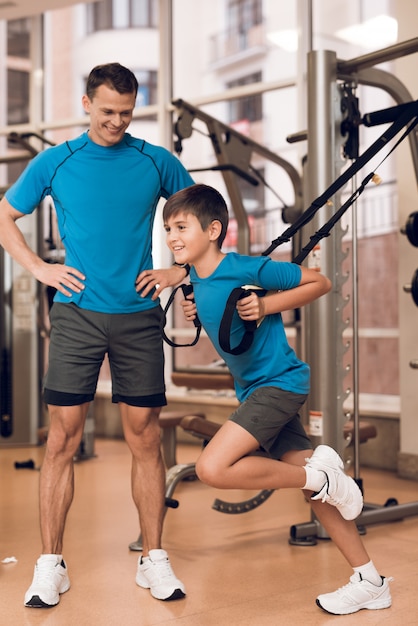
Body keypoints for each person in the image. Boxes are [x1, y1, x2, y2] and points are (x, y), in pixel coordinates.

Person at [0, 62, 195, 607]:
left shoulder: (156, 161)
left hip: (137, 315)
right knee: (61, 439)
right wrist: (40, 269)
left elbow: (205, 224)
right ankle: (50, 564)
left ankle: (153, 557)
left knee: (145, 438)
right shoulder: (55, 162)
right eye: (107, 111)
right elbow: (3, 215)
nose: (116, 121)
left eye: (126, 113)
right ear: (86, 104)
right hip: (76, 315)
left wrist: (178, 271)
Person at [160, 183, 393, 616]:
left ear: (213, 230)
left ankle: (321, 478)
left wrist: (266, 307)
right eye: (167, 228)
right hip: (255, 388)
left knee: (213, 467)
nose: (172, 236)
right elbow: (199, 291)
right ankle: (370, 580)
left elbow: (320, 281)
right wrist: (197, 308)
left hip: (280, 383)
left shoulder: (245, 268)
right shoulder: (196, 278)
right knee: (312, 487)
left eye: (180, 226)